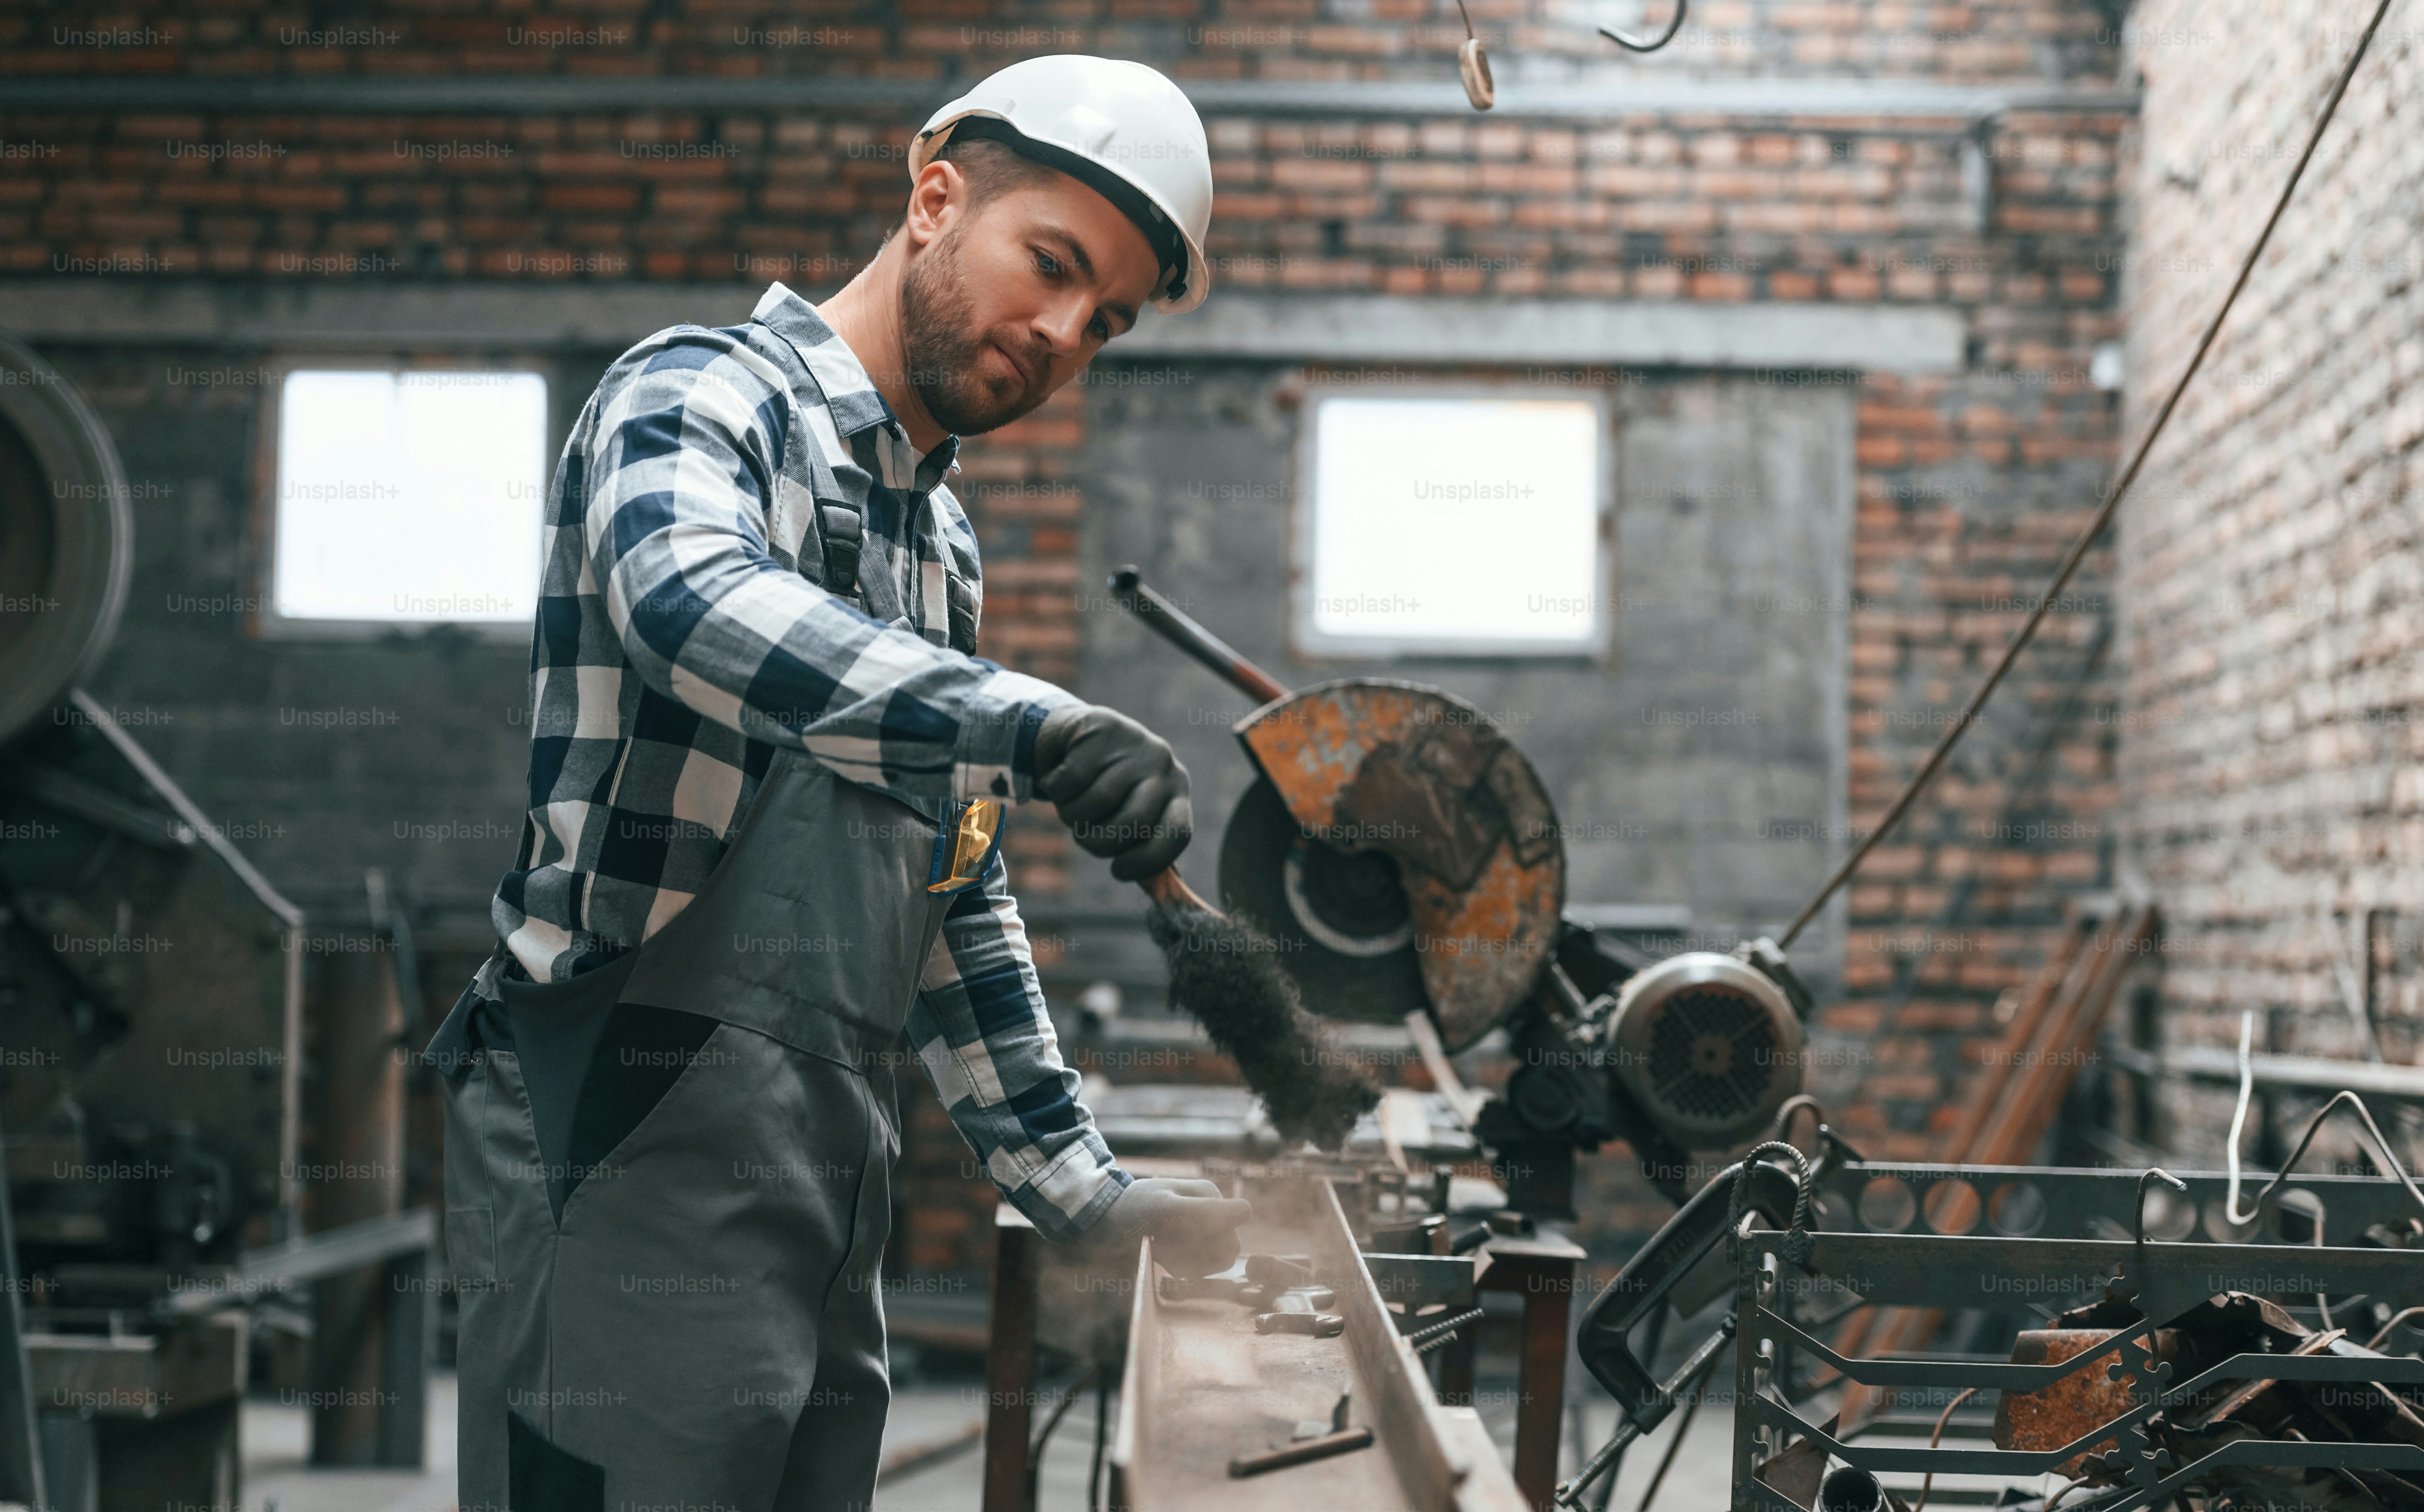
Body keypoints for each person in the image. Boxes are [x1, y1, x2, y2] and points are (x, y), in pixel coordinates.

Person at [422, 54, 1251, 1511]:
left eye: (1104, 320)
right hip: (620, 1151)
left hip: (817, 1186)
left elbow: (952, 888)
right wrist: (1035, 724)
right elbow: (694, 605)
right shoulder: (699, 398)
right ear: (935, 198)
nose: (1064, 333)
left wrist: (1080, 1185)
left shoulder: (942, 551)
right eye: (1051, 265)